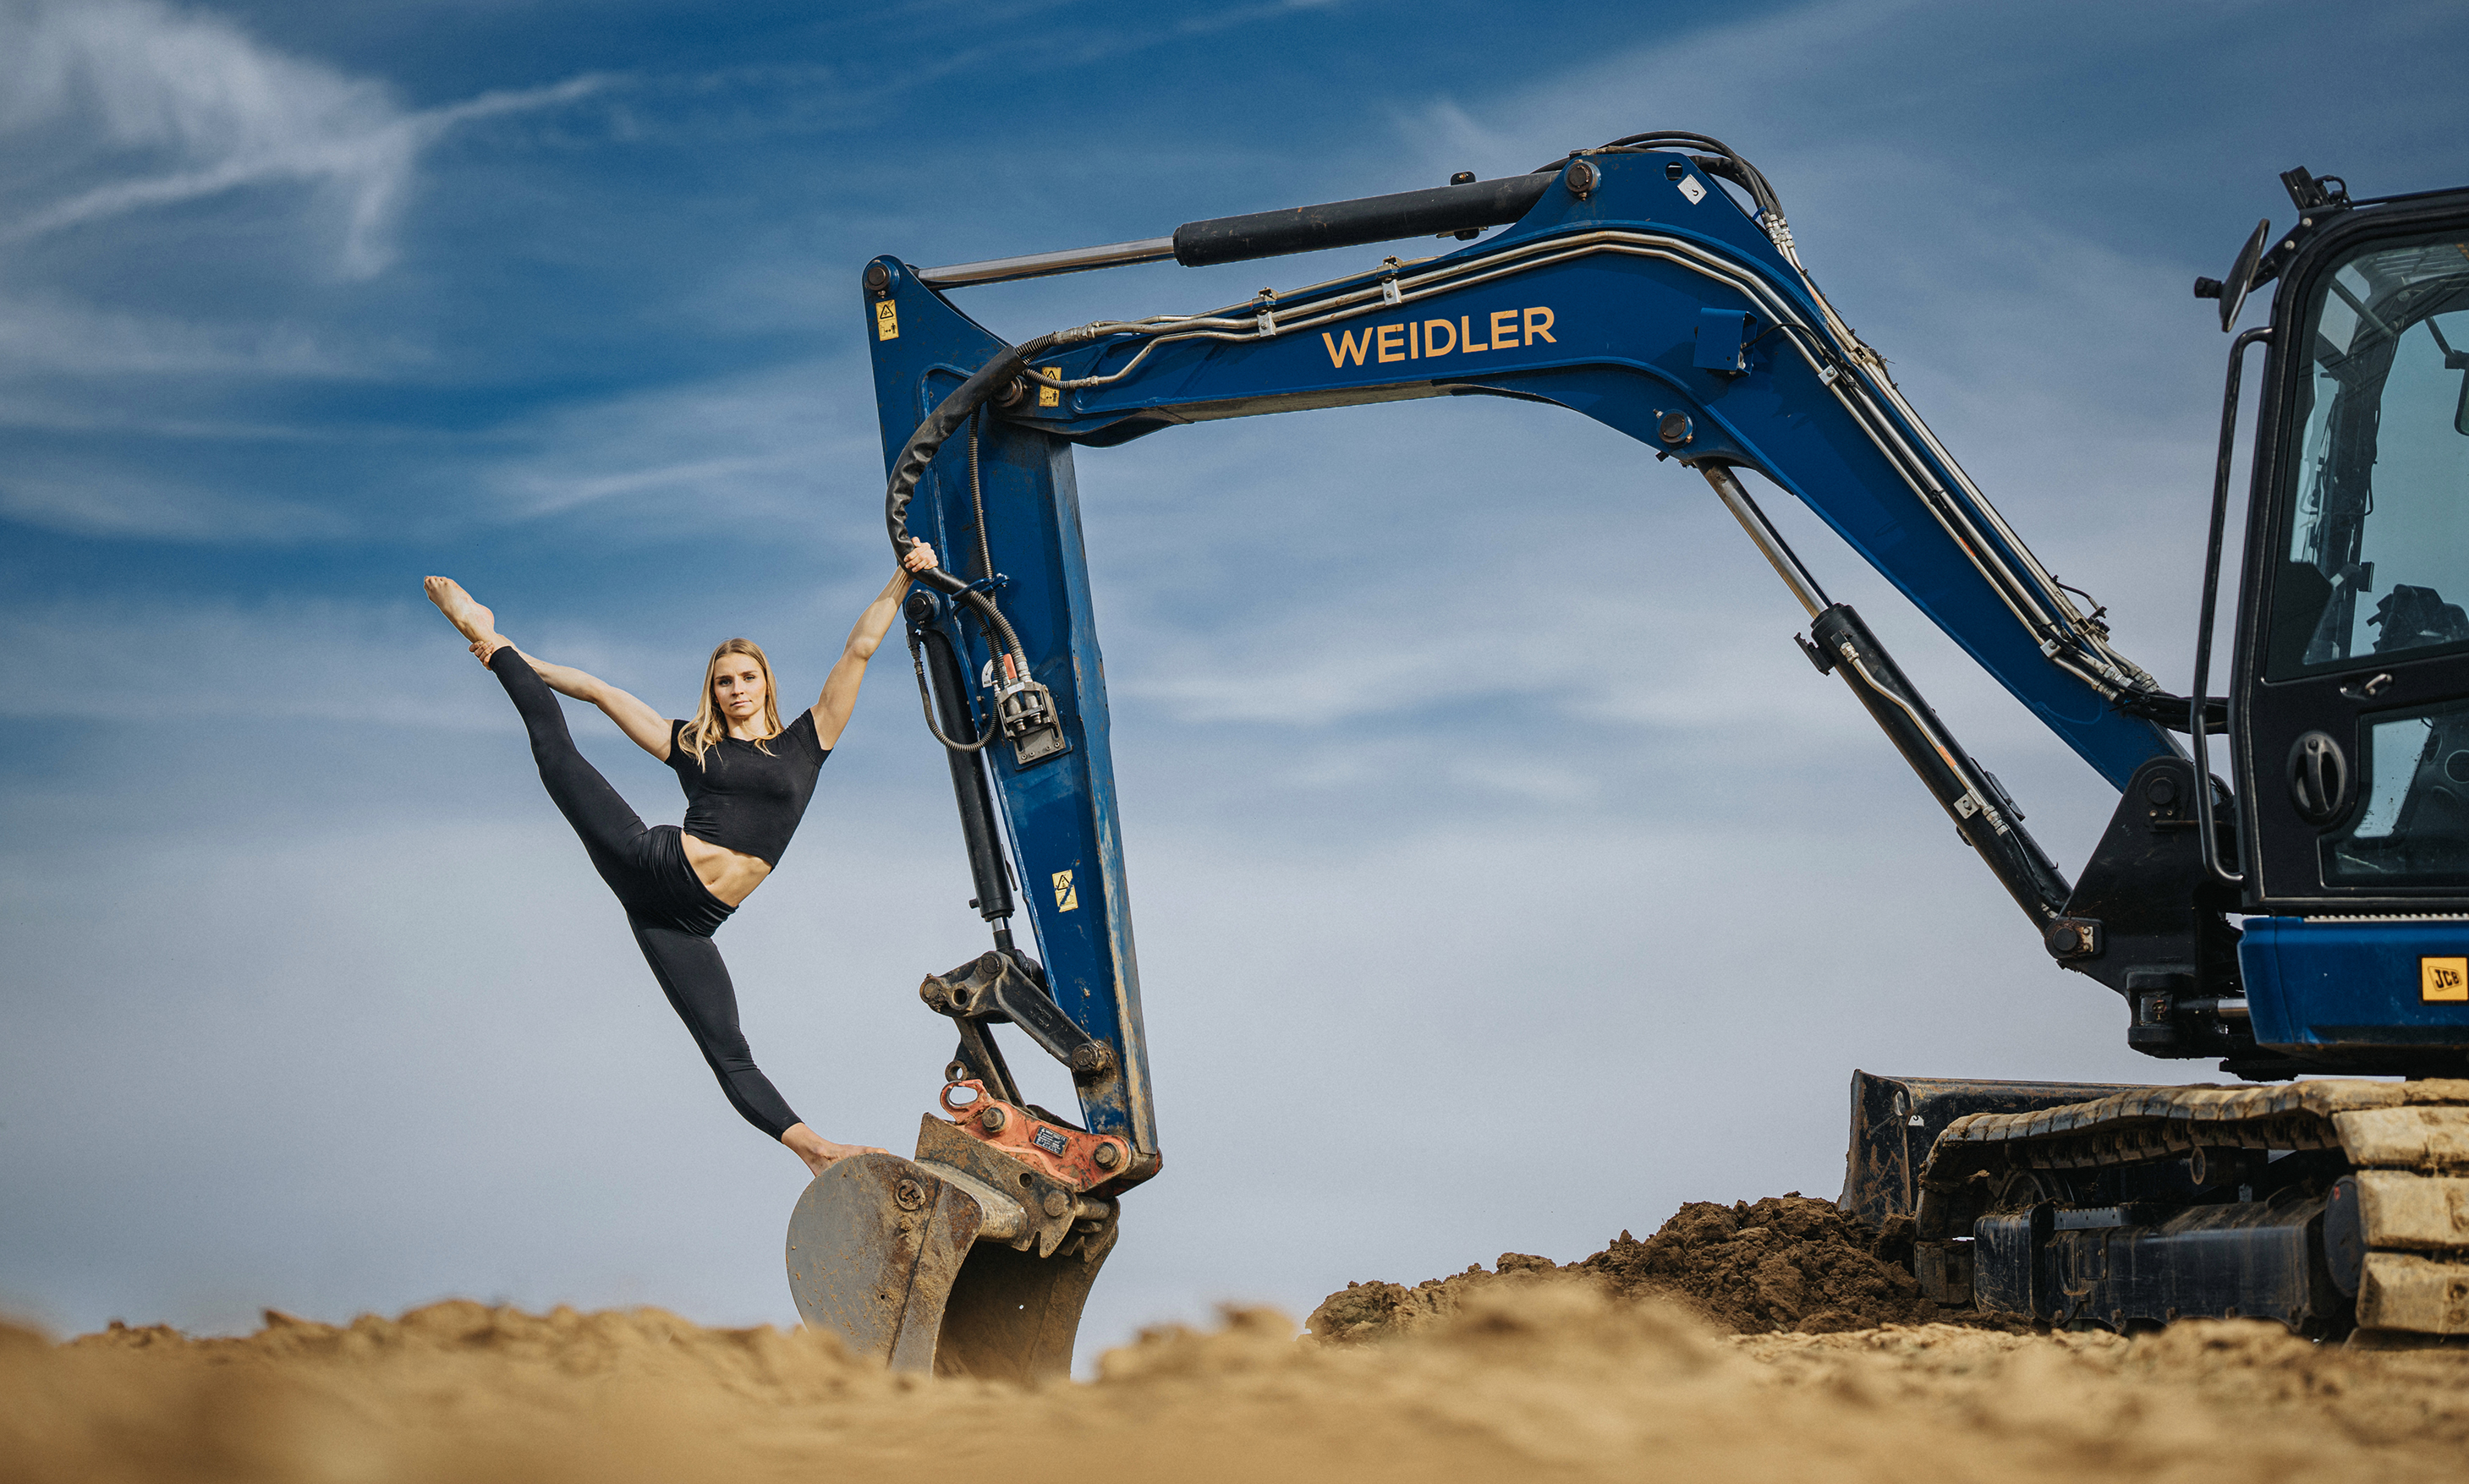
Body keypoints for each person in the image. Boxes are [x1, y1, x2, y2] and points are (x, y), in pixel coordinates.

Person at [421, 544, 939, 1175]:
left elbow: (858, 648)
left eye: (747, 677)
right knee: (555, 753)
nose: (736, 689)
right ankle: (480, 627)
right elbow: (597, 691)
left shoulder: (808, 740)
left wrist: (901, 575)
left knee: (727, 1047)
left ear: (765, 682)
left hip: (685, 924)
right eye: (724, 681)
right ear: (713, 691)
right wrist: (505, 652)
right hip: (649, 863)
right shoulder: (694, 746)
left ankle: (814, 1149)